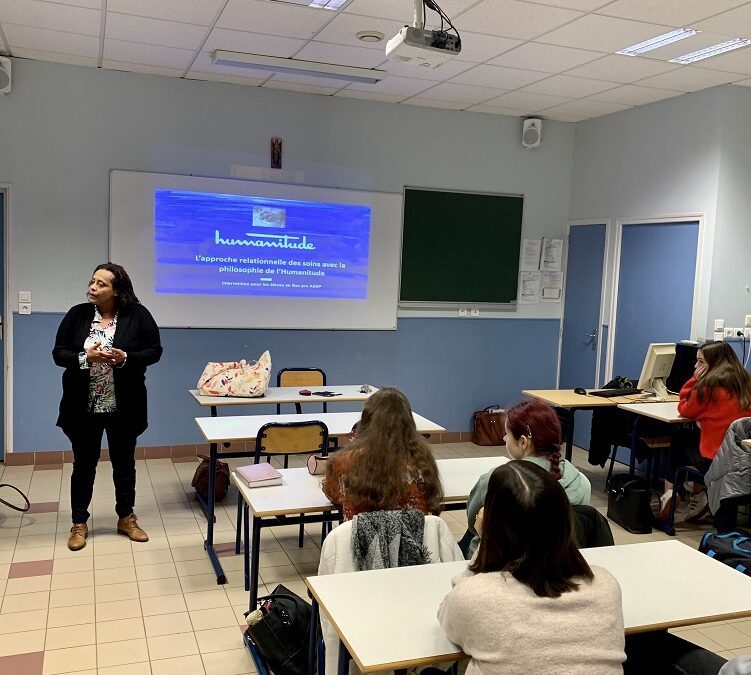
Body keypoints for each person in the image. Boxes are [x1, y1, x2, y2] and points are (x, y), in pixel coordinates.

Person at [438, 461, 625, 674]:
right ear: (566, 522)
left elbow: (447, 619)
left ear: (494, 527)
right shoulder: (606, 586)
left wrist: (484, 544)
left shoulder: (475, 596)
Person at [53, 263, 162, 551]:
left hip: (124, 406)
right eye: (92, 281)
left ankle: (126, 517)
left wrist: (125, 357)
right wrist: (85, 358)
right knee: (84, 465)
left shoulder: (137, 315)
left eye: (101, 284)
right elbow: (58, 353)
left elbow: (154, 351)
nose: (92, 287)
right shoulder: (77, 315)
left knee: (124, 464)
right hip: (83, 406)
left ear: (117, 290)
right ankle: (79, 523)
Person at [464, 399, 591, 558]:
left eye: (506, 434)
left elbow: (472, 523)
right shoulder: (580, 482)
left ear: (523, 442)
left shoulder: (493, 480)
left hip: (502, 564)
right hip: (558, 562)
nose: (504, 439)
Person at [661, 341, 751, 522]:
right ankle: (698, 492)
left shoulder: (707, 386)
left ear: (715, 363)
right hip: (743, 459)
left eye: (701, 362)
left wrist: (694, 379)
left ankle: (670, 493)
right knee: (693, 438)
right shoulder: (745, 382)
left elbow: (685, 408)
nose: (696, 366)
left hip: (716, 463)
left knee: (679, 439)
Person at [322, 387, 443, 519]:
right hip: (416, 538)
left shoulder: (345, 462)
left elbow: (333, 495)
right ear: (408, 422)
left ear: (366, 422)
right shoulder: (422, 461)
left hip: (362, 539)